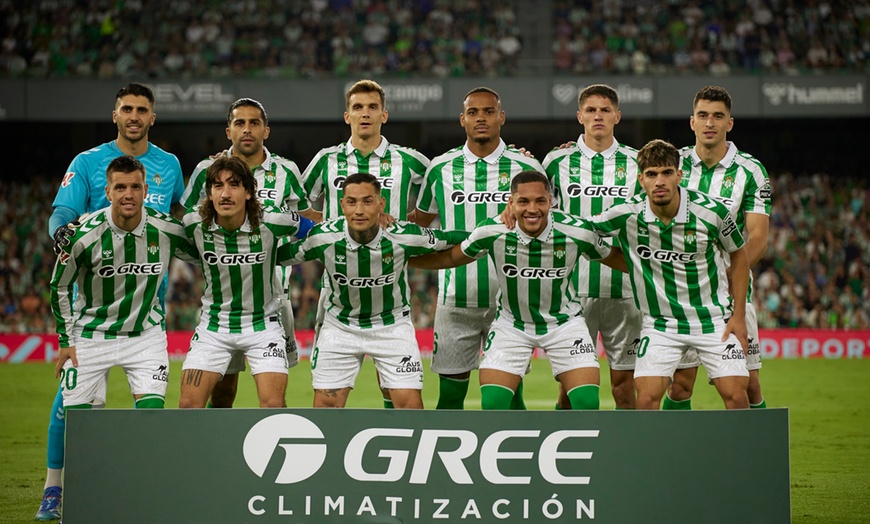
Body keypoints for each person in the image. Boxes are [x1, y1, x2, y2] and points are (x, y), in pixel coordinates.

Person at [38, 83, 184, 521]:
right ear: (115, 115)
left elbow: (181, 217)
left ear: (152, 117)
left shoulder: (169, 165)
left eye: (142, 109)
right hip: (92, 313)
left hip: (146, 313)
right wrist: (62, 234)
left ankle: (142, 489)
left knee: (150, 415)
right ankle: (54, 489)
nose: (135, 116)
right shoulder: (86, 162)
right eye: (127, 109)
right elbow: (61, 214)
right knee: (69, 408)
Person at [411, 171, 627, 409]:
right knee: (493, 404)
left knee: (586, 403)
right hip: (511, 325)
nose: (532, 209)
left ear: (551, 202)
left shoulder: (577, 232)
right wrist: (405, 262)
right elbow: (449, 259)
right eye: (523, 201)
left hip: (565, 324)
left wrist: (658, 267)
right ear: (511, 203)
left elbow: (614, 258)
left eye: (540, 201)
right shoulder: (492, 231)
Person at [278, 173, 467, 408]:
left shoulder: (403, 235)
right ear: (342, 205)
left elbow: (452, 238)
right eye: (352, 202)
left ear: (381, 204)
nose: (359, 210)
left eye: (367, 201)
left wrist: (496, 234)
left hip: (392, 326)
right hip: (340, 328)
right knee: (326, 410)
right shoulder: (323, 237)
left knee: (411, 408)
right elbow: (275, 257)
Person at [588, 139, 751, 410]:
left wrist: (739, 316)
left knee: (736, 396)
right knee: (648, 399)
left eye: (666, 172)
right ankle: (650, 453)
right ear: (641, 179)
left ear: (679, 175)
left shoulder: (712, 212)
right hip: (661, 324)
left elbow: (739, 254)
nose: (659, 181)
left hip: (712, 321)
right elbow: (580, 229)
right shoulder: (627, 213)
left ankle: (745, 453)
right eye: (651, 174)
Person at [180, 98, 316, 409]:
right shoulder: (206, 170)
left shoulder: (286, 170)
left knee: (273, 396)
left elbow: (307, 221)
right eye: (239, 123)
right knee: (224, 391)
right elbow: (189, 226)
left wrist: (290, 255)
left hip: (273, 296)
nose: (247, 129)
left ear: (266, 130)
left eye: (254, 123)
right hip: (222, 294)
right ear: (228, 131)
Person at [414, 86, 545, 409]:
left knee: (510, 394)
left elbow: (546, 222)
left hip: (511, 303)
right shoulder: (440, 168)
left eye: (488, 111)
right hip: (456, 298)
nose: (481, 118)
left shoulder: (526, 168)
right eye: (473, 112)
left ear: (501, 117)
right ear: (462, 120)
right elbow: (421, 223)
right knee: (451, 396)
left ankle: (518, 457)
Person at [303, 79, 429, 408]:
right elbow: (300, 207)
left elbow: (441, 191)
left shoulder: (409, 160)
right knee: (330, 397)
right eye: (357, 107)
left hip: (388, 282)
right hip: (338, 289)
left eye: (372, 107)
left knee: (395, 389)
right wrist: (328, 232)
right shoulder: (325, 160)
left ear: (384, 115)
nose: (365, 114)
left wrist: (406, 229)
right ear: (347, 116)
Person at [664, 85, 771, 410]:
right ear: (692, 122)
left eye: (718, 116)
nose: (710, 122)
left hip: (731, 296)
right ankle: (667, 456)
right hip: (681, 295)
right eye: (703, 115)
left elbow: (758, 237)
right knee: (681, 384)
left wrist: (726, 275)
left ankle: (757, 457)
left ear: (730, 123)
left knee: (749, 386)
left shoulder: (751, 172)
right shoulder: (672, 164)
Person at [541, 84, 643, 410]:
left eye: (605, 110)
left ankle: (627, 454)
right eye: (591, 110)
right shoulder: (556, 161)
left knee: (624, 386)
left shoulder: (637, 162)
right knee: (571, 388)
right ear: (579, 116)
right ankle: (569, 453)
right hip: (572, 291)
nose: (598, 115)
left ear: (617, 116)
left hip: (626, 289)